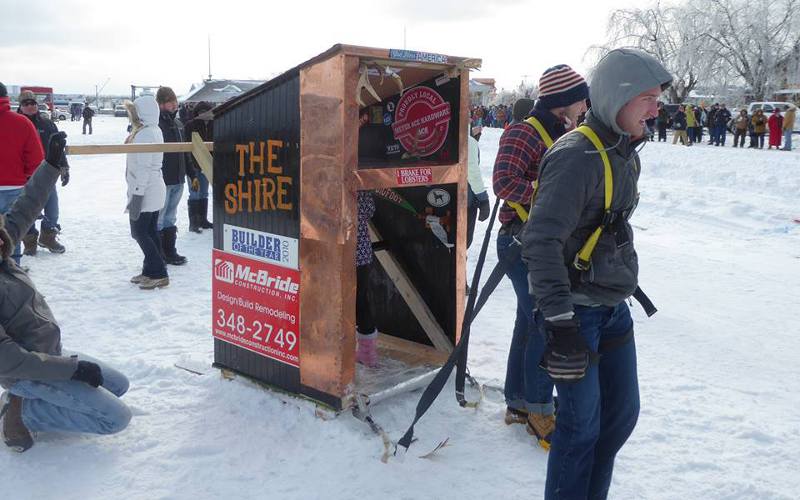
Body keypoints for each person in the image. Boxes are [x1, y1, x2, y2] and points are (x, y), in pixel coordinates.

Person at [522, 47, 671, 499]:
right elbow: (540, 242)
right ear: (617, 96)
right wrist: (560, 323)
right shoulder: (576, 156)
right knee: (580, 428)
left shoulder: (623, 149)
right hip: (576, 315)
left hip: (612, 307)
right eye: (647, 96)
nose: (657, 107)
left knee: (619, 420)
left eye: (658, 97)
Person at [0, 132, 132, 453]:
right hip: (25, 368)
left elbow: (25, 208)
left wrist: (50, 165)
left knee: (119, 385)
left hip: (50, 351)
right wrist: (71, 369)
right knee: (115, 419)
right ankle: (22, 410)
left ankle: (29, 396)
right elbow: (9, 360)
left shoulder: (1, 247)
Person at [493, 64, 588, 449]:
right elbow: (502, 182)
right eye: (581, 98)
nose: (586, 105)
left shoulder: (561, 133)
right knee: (544, 324)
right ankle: (538, 410)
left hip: (535, 239)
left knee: (529, 323)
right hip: (521, 239)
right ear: (563, 102)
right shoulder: (525, 131)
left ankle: (517, 403)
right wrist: (547, 193)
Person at [17, 90, 69, 255]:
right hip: (23, 176)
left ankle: (48, 237)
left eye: (33, 103)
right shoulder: (15, 124)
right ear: (20, 106)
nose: (31, 106)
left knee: (52, 210)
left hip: (47, 174)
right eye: (26, 104)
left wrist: (64, 167)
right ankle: (29, 242)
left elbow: (59, 147)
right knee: (27, 211)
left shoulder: (47, 124)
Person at [125, 95, 169, 289]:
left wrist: (137, 195)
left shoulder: (145, 134)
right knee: (149, 230)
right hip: (152, 187)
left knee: (139, 232)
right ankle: (150, 270)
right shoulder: (151, 130)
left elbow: (143, 167)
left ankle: (159, 272)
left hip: (146, 190)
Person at [0, 82, 44, 266]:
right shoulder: (22, 122)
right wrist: (24, 176)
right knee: (11, 233)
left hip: (14, 186)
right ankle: (12, 272)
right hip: (14, 187)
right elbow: (36, 161)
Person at [156, 87, 195, 265]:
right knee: (159, 218)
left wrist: (191, 173)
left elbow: (185, 151)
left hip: (178, 179)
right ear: (161, 103)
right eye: (170, 101)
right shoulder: (156, 125)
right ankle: (157, 254)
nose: (174, 104)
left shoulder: (179, 125)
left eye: (175, 101)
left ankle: (170, 251)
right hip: (162, 180)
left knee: (170, 217)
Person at [182, 101, 214, 233]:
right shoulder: (190, 125)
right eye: (200, 112)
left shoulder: (214, 124)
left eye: (205, 111)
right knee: (194, 193)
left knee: (204, 193)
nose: (203, 114)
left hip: (208, 164)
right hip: (194, 166)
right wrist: (189, 164)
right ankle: (193, 223)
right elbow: (186, 146)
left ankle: (203, 220)